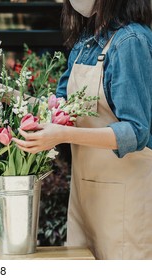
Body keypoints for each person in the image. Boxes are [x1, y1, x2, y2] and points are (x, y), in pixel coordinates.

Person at [13, 0, 152, 259]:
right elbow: (60, 109)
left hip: (126, 200)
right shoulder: (86, 43)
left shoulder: (130, 42)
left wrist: (63, 134)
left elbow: (135, 131)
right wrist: (8, 96)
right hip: (87, 197)